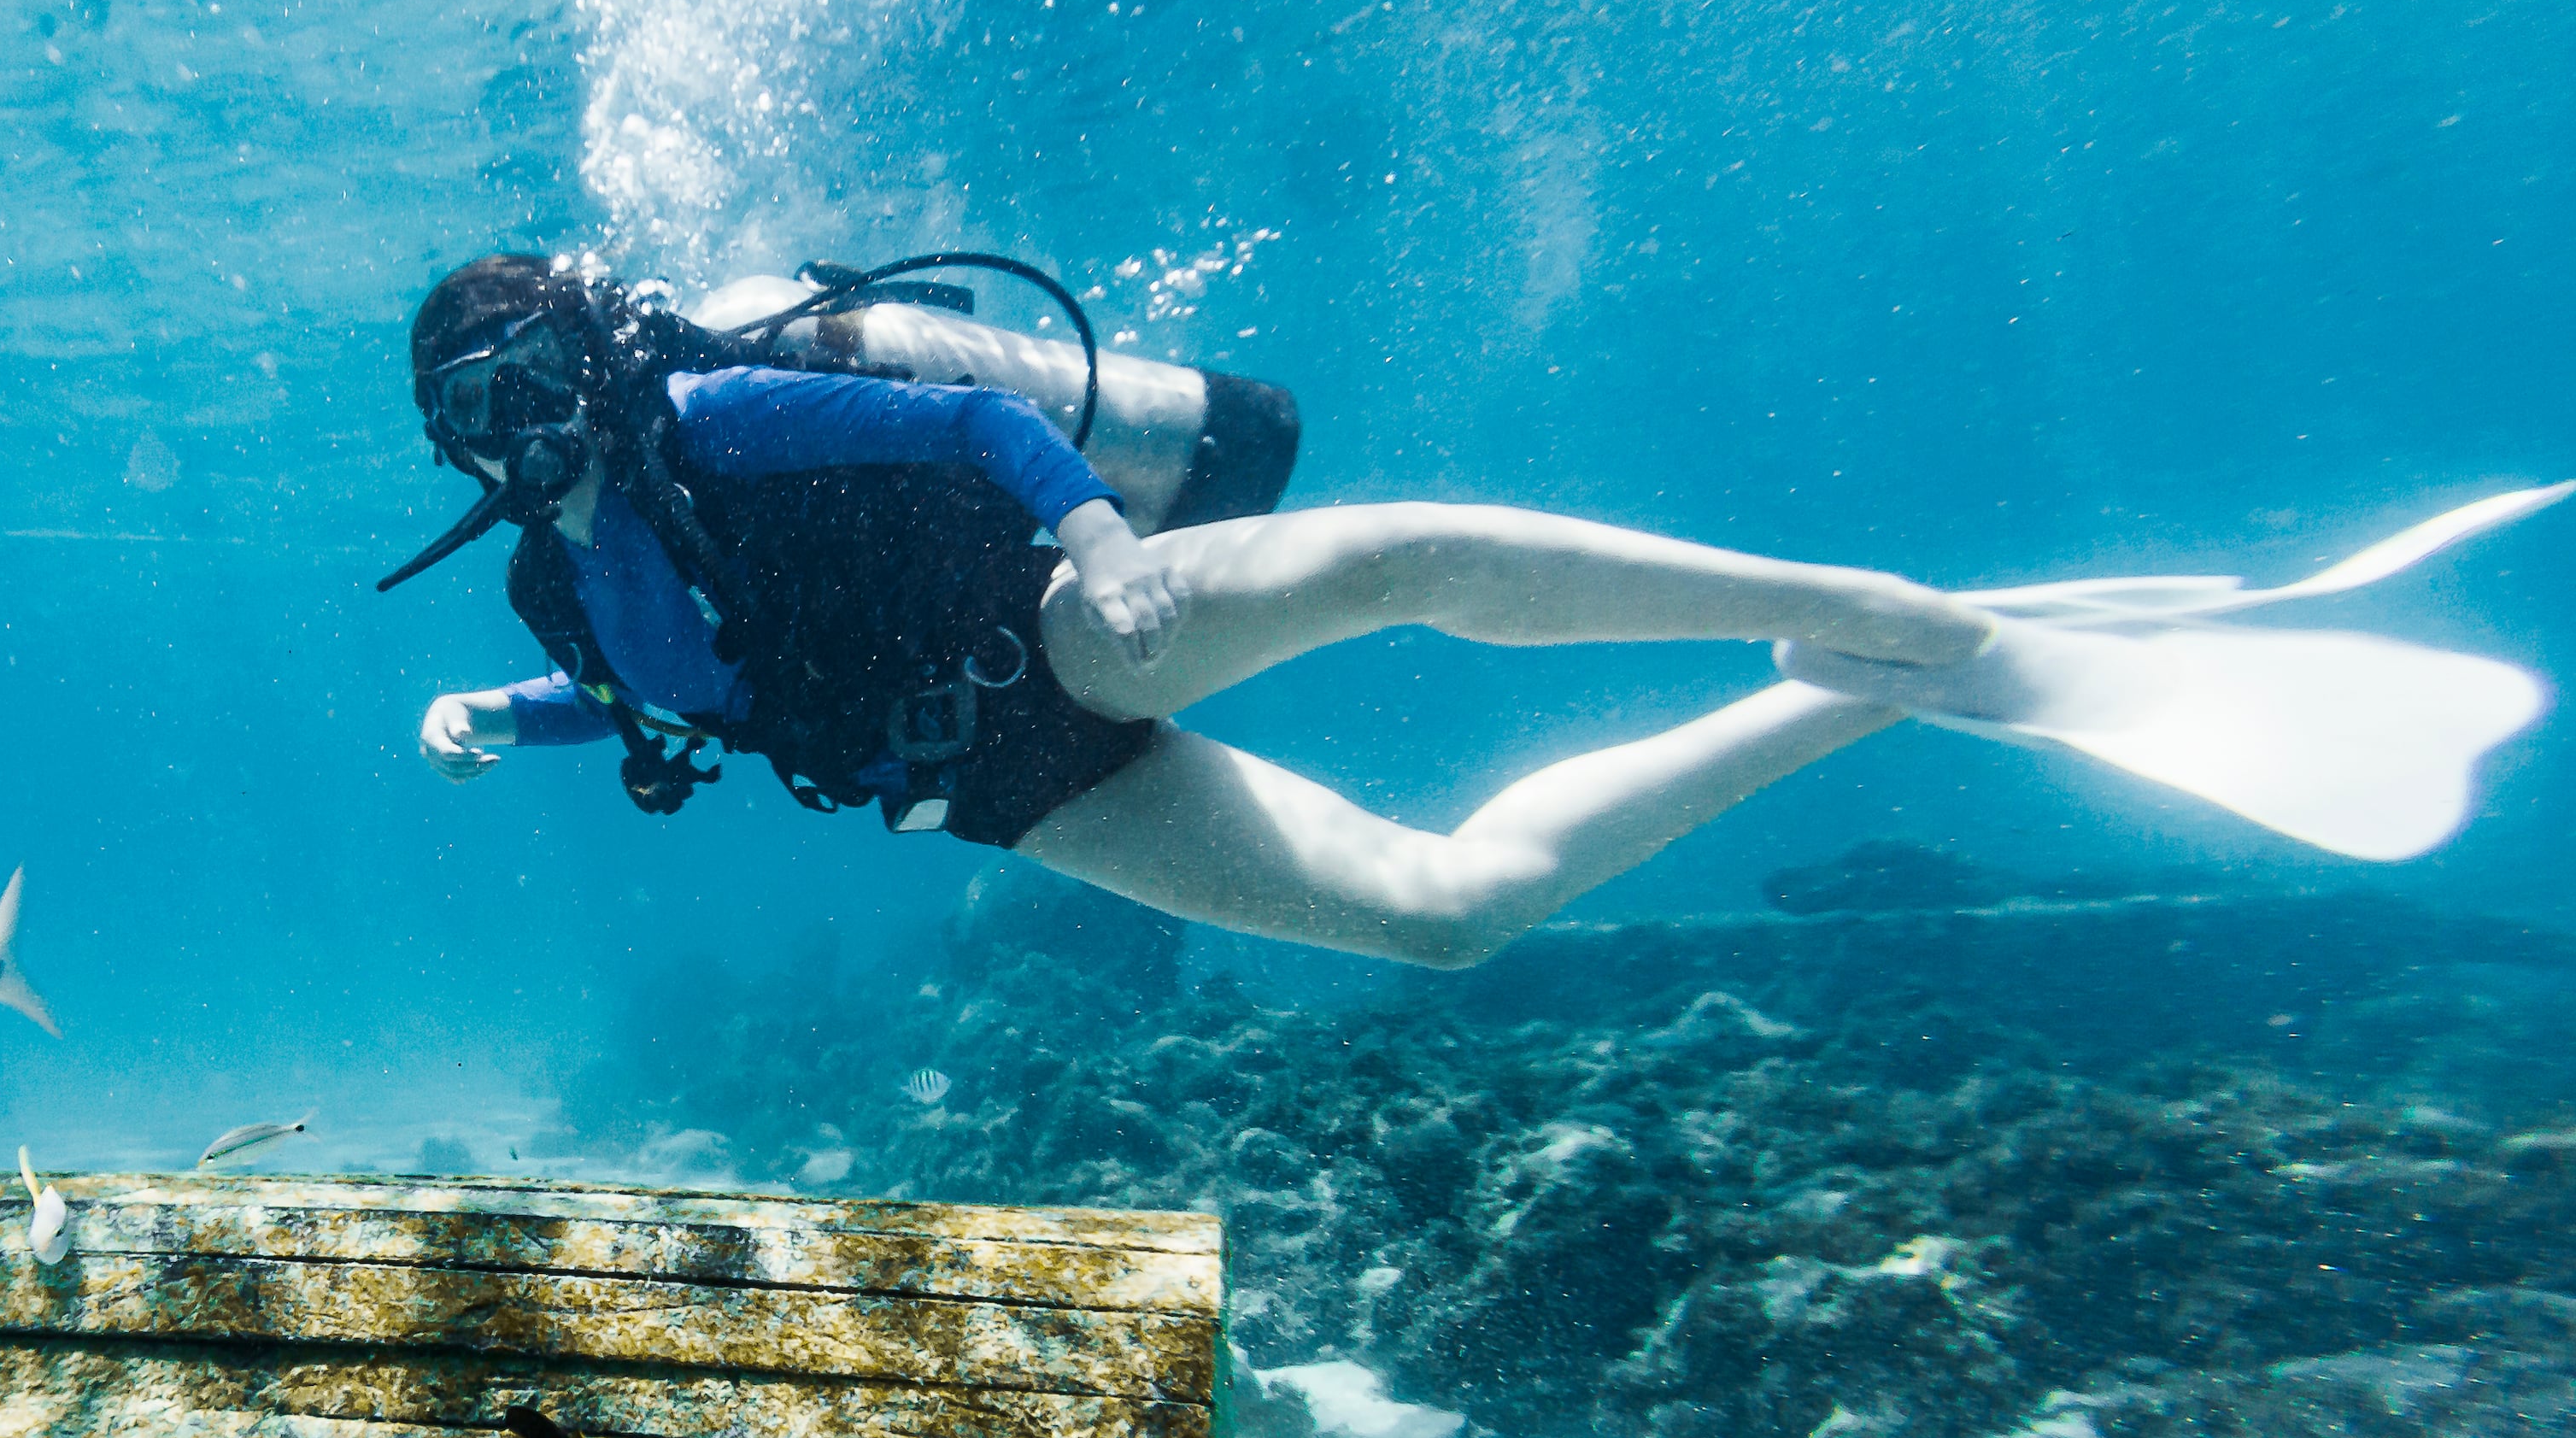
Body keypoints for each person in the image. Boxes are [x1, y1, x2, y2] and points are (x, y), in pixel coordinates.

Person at [391, 253, 2553, 965]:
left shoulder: (708, 428)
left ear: (587, 363)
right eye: (463, 414)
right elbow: (705, 699)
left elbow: (969, 451)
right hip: (1003, 795)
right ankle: (1868, 689)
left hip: (1062, 633)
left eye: (524, 385)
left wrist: (1097, 543)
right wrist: (521, 716)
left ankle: (1868, 600)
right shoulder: (545, 575)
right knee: (1443, 919)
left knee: (1411, 566)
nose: (510, 431)